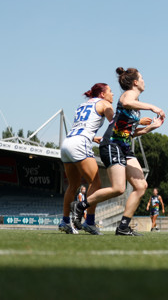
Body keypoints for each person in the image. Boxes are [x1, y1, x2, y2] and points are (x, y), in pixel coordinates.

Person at [74, 67, 165, 236]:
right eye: (142, 78)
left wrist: (151, 127)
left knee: (141, 185)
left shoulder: (136, 106)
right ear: (135, 82)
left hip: (124, 146)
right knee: (118, 188)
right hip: (112, 144)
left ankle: (123, 226)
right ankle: (80, 206)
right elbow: (126, 103)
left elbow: (131, 133)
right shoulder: (128, 95)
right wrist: (153, 107)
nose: (145, 81)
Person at [59, 83, 114, 235]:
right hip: (80, 143)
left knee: (73, 185)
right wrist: (137, 124)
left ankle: (64, 221)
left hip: (67, 142)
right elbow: (115, 124)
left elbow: (83, 125)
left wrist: (93, 137)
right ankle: (89, 222)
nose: (113, 95)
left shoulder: (82, 105)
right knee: (95, 182)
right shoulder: (104, 103)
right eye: (110, 91)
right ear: (102, 94)